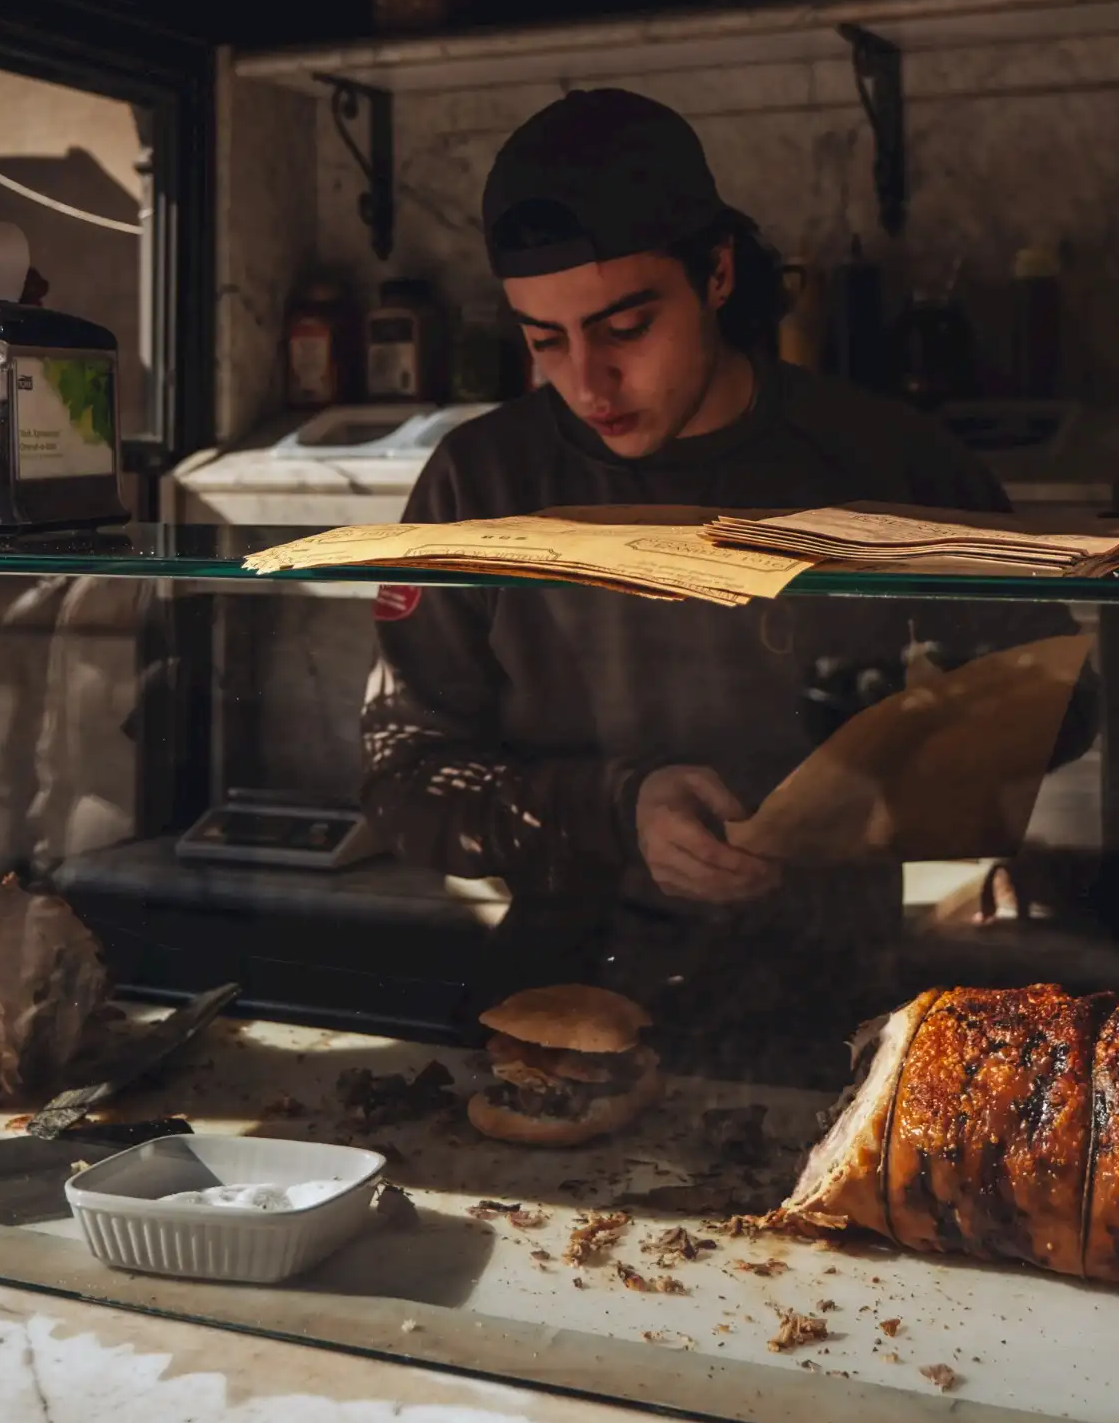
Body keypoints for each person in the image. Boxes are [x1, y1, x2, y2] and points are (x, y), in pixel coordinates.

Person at [359, 89, 1040, 1075]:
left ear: (716, 272)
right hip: (559, 1020)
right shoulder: (480, 482)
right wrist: (618, 808)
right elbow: (404, 780)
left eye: (624, 328)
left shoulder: (889, 461)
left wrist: (895, 770)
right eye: (545, 341)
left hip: (830, 1021)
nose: (588, 386)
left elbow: (1059, 701)